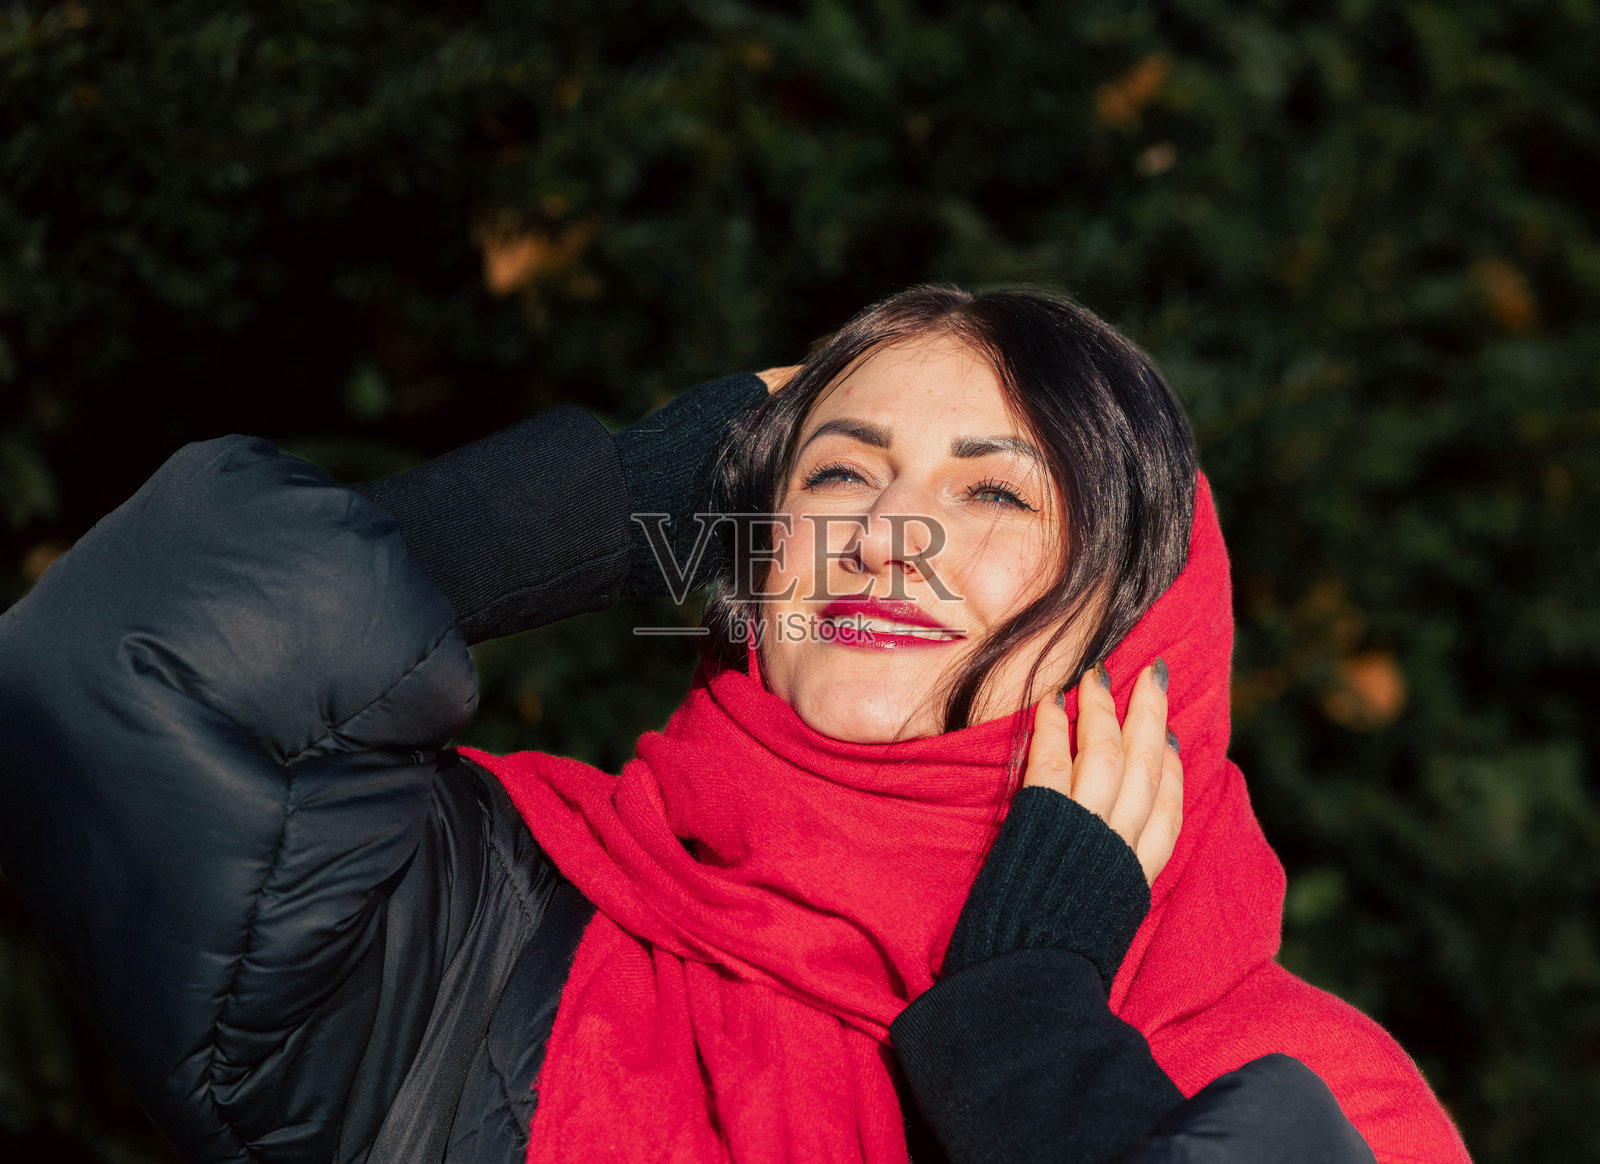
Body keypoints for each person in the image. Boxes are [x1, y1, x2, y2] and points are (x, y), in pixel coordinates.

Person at [0, 286, 1467, 1163]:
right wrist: (626, 494)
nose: (885, 535)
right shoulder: (493, 936)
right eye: (837, 476)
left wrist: (1025, 1036)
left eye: (993, 490)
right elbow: (123, 667)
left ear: (1141, 621)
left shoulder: (1299, 1091)